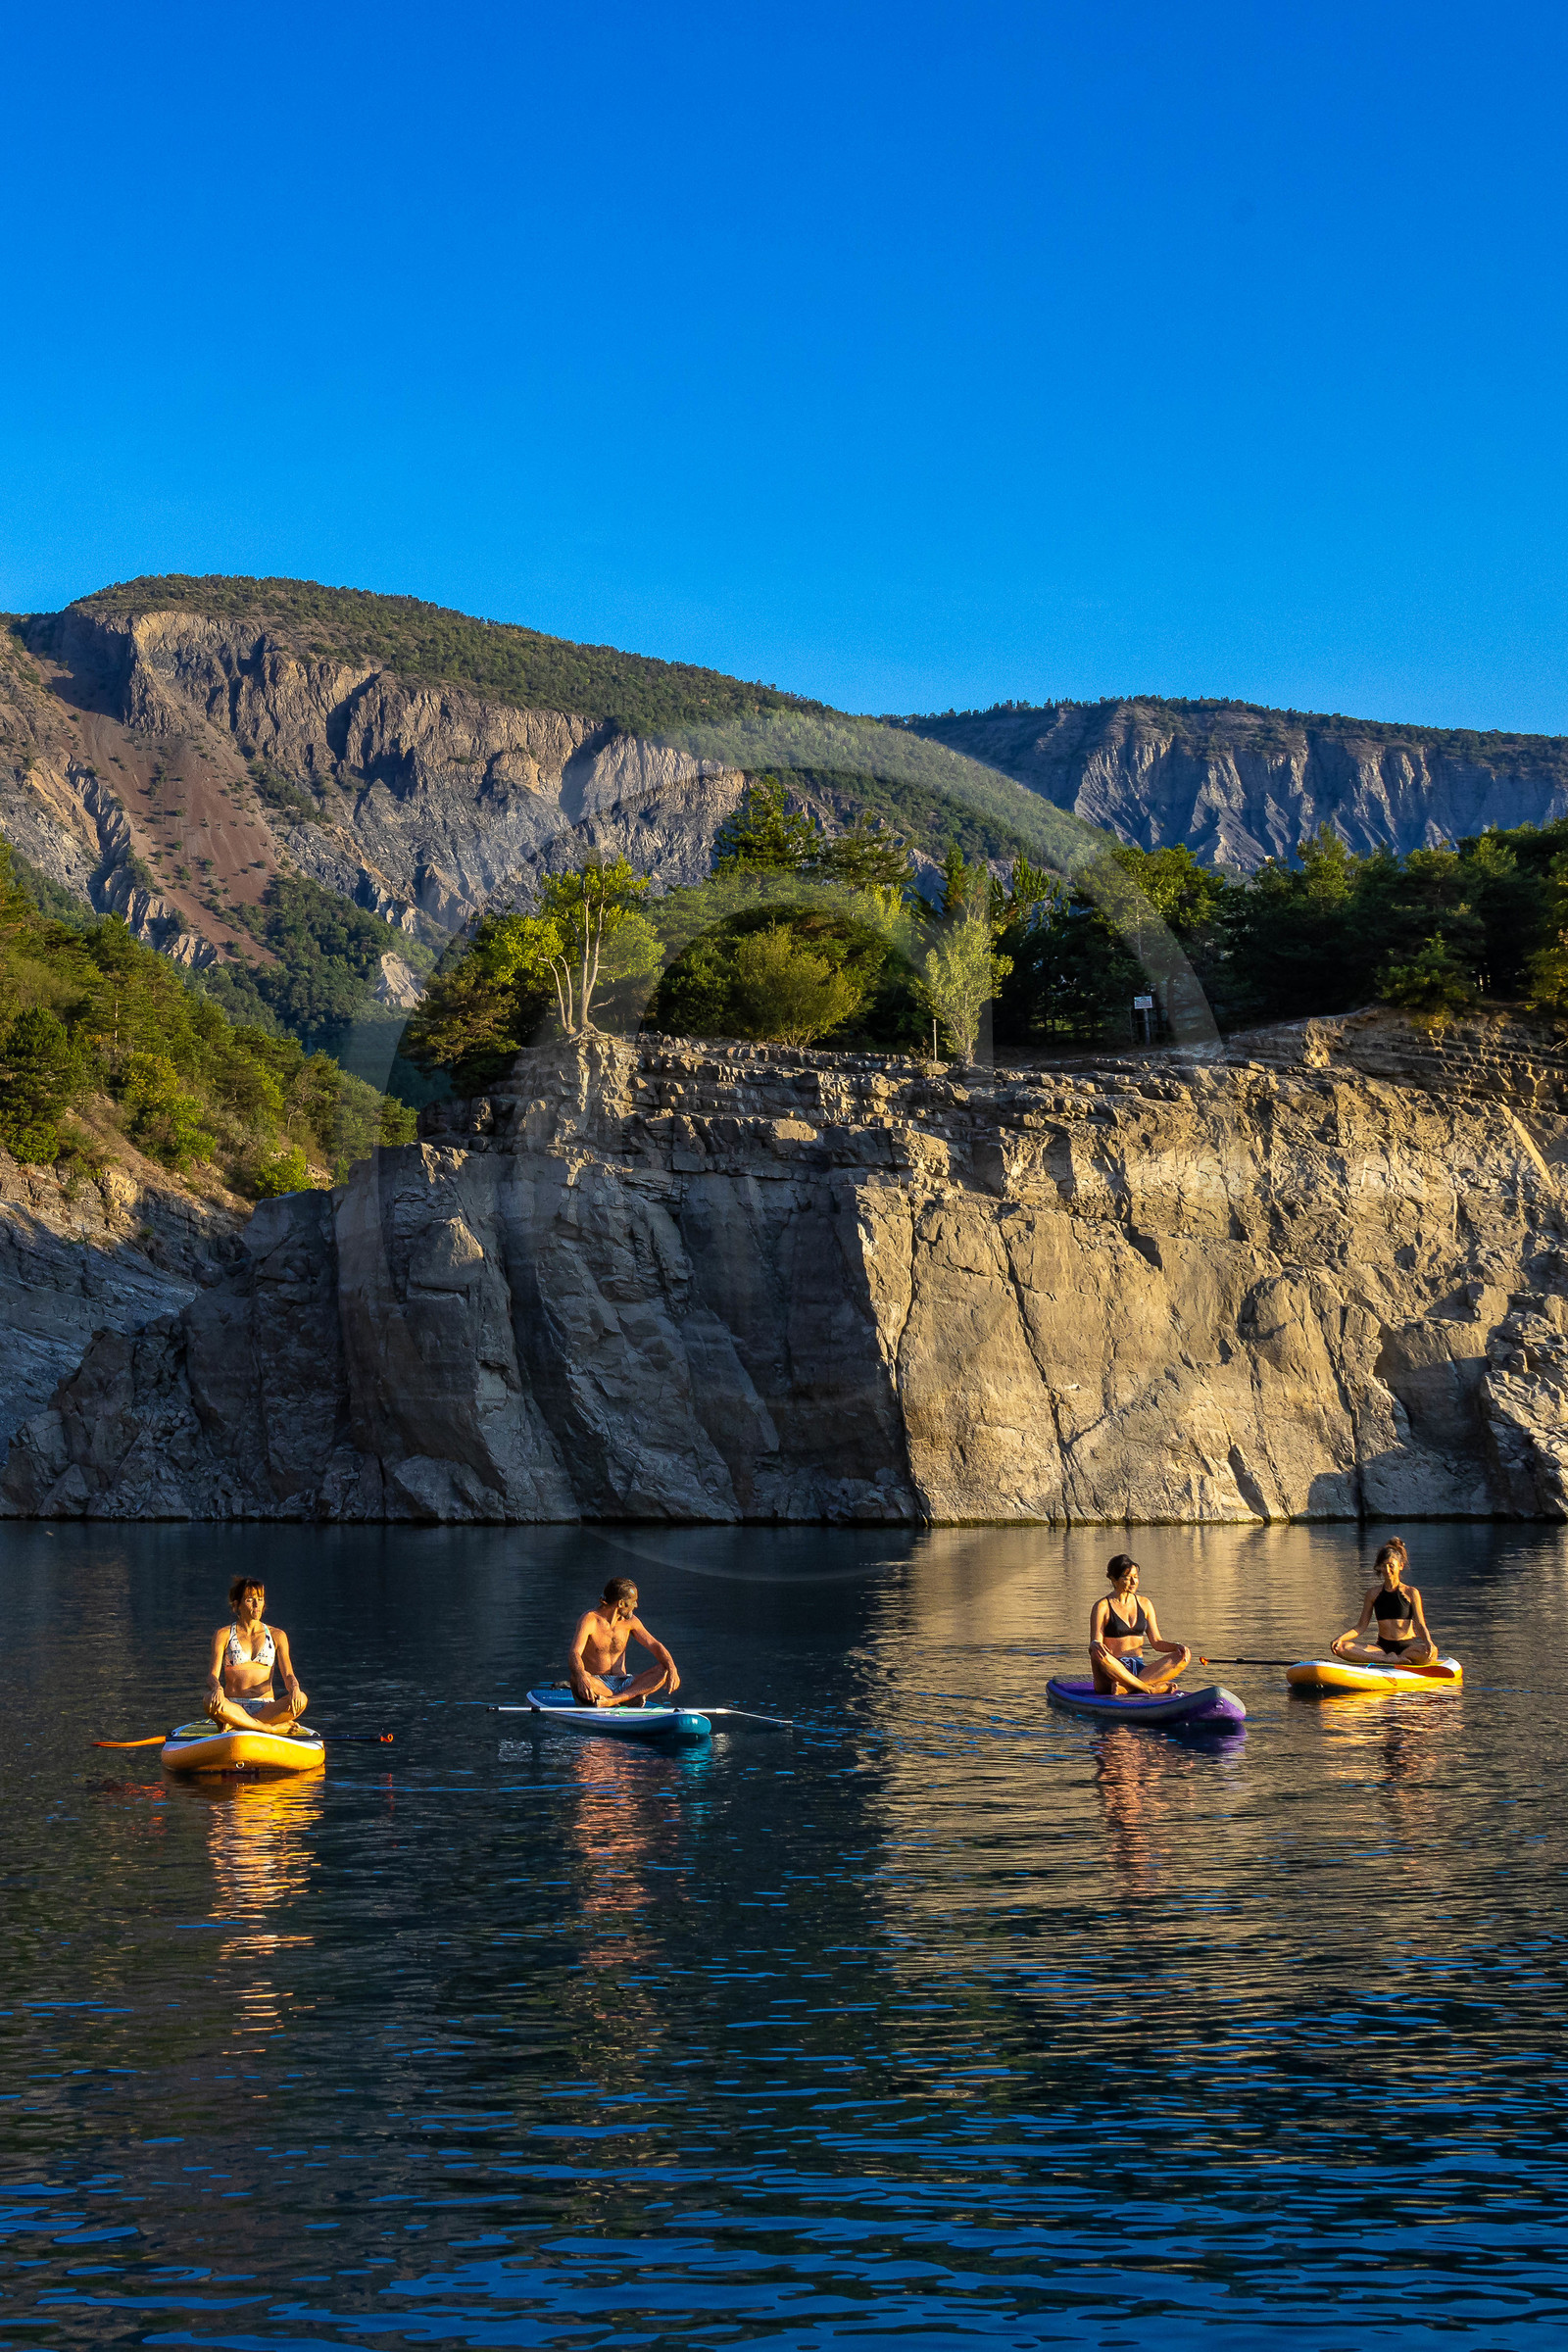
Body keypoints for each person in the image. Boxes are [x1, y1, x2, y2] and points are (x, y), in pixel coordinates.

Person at [205, 1576, 309, 1730]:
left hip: (266, 1708)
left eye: (260, 1599)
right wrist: (217, 1689)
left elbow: (288, 1675)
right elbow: (212, 1676)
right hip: (233, 1706)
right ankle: (268, 1728)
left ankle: (239, 1724)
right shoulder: (224, 1634)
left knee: (302, 1699)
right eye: (250, 1600)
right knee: (208, 1700)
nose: (256, 1605)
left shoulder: (277, 1635)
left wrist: (294, 1687)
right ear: (237, 1604)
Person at [567, 1577, 681, 1708]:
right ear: (621, 1603)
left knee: (663, 1669)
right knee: (576, 1678)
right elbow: (574, 1653)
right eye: (633, 1601)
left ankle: (613, 1700)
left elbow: (654, 1645)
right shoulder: (590, 1619)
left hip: (624, 1682)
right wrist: (581, 1676)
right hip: (598, 1684)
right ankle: (627, 1698)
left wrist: (672, 1668)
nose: (636, 1605)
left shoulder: (631, 1621)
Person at [1089, 1553, 1192, 1697]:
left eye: (1136, 1577)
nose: (1133, 1582)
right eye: (1127, 1578)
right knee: (1096, 1651)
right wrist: (1095, 1645)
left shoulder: (1145, 1604)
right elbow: (1096, 1644)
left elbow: (1157, 1643)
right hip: (1112, 1671)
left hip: (1139, 1669)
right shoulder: (1102, 1607)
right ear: (1114, 1579)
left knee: (1182, 1656)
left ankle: (1128, 1688)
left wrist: (1177, 1646)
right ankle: (1148, 1688)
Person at [1331, 1539, 1438, 1666]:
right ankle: (1386, 1660)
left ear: (1401, 1566)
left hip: (1407, 1648)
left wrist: (1428, 1642)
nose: (1387, 1570)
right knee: (1341, 1648)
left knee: (1430, 1654)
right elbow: (1361, 1627)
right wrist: (1340, 1638)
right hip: (1381, 1649)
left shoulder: (1411, 1592)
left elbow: (1420, 1625)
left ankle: (1399, 1658)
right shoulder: (1372, 1594)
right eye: (1383, 1565)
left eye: (1391, 1565)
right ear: (1379, 1567)